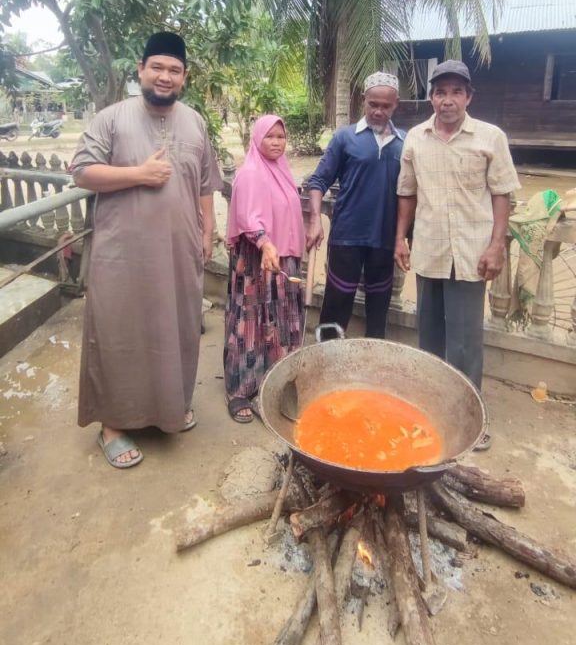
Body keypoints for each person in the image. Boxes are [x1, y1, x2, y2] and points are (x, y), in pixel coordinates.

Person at [71, 31, 222, 469]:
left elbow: (206, 181)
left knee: (173, 329)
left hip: (178, 251)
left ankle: (166, 410)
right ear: (140, 69)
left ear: (184, 77)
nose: (165, 76)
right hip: (123, 255)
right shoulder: (112, 118)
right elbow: (81, 171)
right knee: (120, 334)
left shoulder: (194, 121)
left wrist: (207, 225)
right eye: (157, 67)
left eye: (174, 70)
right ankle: (113, 426)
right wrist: (138, 174)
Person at [394, 59, 520, 450]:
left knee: (465, 341)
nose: (447, 100)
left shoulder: (490, 137)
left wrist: (497, 244)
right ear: (431, 96)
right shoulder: (416, 137)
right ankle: (431, 410)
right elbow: (407, 193)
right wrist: (400, 237)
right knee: (429, 335)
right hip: (430, 249)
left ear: (468, 97)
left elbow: (502, 194)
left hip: (471, 253)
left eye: (455, 92)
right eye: (440, 92)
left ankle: (471, 419)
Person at [305, 72, 405, 338]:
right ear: (363, 101)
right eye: (373, 104)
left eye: (385, 106)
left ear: (396, 104)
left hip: (384, 240)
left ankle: (369, 366)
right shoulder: (345, 138)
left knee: (379, 309)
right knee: (336, 305)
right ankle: (327, 360)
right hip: (346, 237)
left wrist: (406, 235)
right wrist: (315, 220)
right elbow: (317, 181)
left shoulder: (406, 143)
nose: (378, 111)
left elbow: (413, 194)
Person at [224, 115, 305, 422]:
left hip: (282, 262)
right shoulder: (249, 173)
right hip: (258, 262)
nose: (276, 142)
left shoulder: (283, 171)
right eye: (269, 136)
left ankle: (273, 387)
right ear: (257, 138)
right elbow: (249, 216)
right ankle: (240, 391)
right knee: (251, 325)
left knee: (281, 323)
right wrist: (265, 243)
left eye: (281, 137)